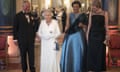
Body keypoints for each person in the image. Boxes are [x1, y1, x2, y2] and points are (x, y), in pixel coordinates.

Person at [60, 1, 88, 72]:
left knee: (79, 51)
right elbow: (67, 25)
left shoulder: (83, 15)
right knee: (70, 51)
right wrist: (64, 32)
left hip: (79, 35)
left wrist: (82, 25)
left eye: (77, 7)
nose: (75, 8)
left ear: (79, 7)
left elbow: (87, 26)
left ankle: (78, 68)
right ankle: (70, 66)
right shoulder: (69, 14)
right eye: (74, 7)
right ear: (72, 7)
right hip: (70, 35)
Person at [13, 1, 36, 72]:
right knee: (23, 57)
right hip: (22, 40)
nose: (27, 7)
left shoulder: (32, 15)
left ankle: (32, 70)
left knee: (32, 56)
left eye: (28, 6)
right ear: (22, 6)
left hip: (31, 40)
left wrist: (34, 35)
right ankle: (24, 70)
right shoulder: (17, 16)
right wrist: (15, 39)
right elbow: (15, 28)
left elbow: (34, 27)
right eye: (25, 6)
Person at [86, 0, 108, 71]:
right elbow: (89, 25)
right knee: (92, 51)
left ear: (98, 6)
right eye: (92, 7)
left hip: (101, 35)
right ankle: (92, 67)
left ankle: (99, 68)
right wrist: (87, 35)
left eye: (94, 7)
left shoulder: (105, 13)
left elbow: (106, 25)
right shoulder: (91, 13)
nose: (93, 8)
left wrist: (107, 35)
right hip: (92, 35)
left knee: (100, 52)